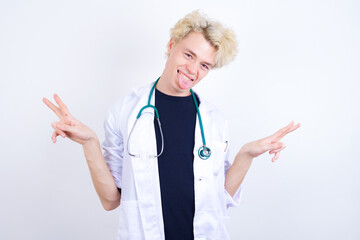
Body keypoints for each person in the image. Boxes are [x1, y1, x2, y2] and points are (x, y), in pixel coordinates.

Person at [43, 10, 300, 240]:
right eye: (188, 55)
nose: (193, 70)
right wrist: (90, 143)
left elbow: (218, 199)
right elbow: (111, 201)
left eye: (204, 65)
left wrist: (246, 154)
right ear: (171, 44)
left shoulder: (214, 120)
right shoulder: (124, 112)